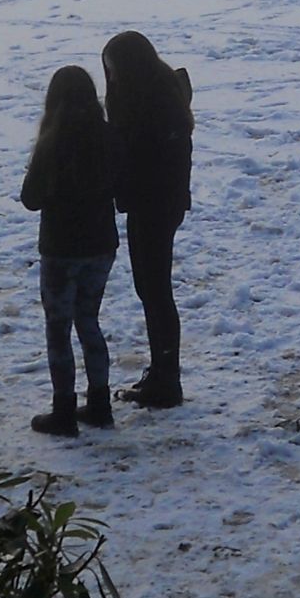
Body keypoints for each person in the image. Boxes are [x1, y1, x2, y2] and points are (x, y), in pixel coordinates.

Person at [19, 65, 118, 437]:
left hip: (61, 250)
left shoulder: (53, 142)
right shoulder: (108, 137)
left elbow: (30, 199)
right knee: (89, 321)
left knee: (58, 329)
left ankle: (63, 410)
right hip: (101, 246)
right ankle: (99, 403)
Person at [102, 30, 193, 409]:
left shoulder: (151, 112)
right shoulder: (165, 99)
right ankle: (163, 373)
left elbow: (137, 163)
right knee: (154, 292)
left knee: (154, 292)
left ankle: (166, 379)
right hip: (161, 205)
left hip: (152, 207)